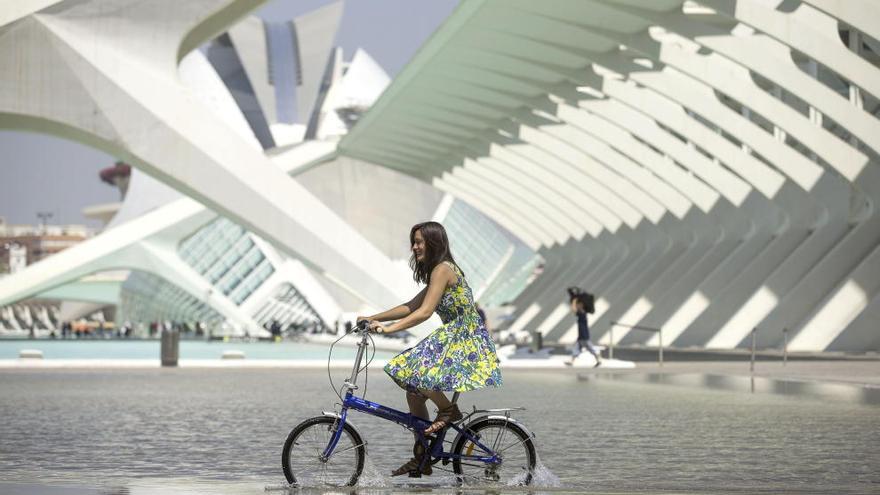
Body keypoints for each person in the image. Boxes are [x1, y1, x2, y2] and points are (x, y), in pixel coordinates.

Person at [358, 221, 502, 477]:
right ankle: (423, 455)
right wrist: (372, 318)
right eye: (413, 242)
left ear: (434, 242)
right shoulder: (438, 271)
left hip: (464, 338)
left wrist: (390, 330)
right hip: (457, 336)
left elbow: (424, 313)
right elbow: (411, 306)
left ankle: (448, 410)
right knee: (414, 392)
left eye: (419, 242)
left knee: (410, 369)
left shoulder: (443, 270)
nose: (414, 247)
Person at [566, 288, 602, 367]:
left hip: (584, 336)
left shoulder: (582, 313)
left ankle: (598, 358)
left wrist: (574, 300)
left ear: (581, 305)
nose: (577, 306)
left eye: (579, 304)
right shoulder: (582, 313)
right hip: (581, 336)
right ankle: (571, 361)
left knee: (590, 348)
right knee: (576, 349)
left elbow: (574, 309)